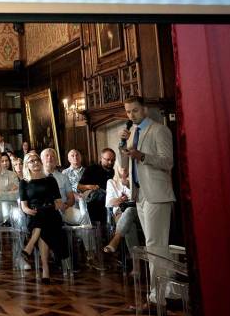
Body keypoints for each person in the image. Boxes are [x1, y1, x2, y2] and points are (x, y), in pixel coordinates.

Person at [120, 97, 175, 310]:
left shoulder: (159, 130)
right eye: (128, 112)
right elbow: (125, 165)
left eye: (134, 110)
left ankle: (155, 298)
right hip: (139, 194)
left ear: (144, 109)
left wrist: (142, 156)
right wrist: (122, 146)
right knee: (155, 246)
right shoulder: (132, 132)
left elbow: (167, 161)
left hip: (157, 194)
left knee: (155, 246)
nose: (131, 115)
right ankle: (167, 292)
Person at [19, 152, 68, 283]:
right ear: (26, 165)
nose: (35, 162)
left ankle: (31, 246)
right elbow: (24, 207)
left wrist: (53, 206)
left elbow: (58, 202)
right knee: (41, 220)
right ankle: (45, 268)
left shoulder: (50, 180)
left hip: (51, 213)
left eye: (37, 160)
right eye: (31, 161)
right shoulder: (24, 182)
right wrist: (31, 211)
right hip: (33, 215)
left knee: (43, 219)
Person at [103, 164, 139, 254]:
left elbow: (141, 199)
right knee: (130, 225)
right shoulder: (111, 182)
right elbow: (109, 203)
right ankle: (136, 260)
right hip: (120, 212)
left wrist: (130, 185)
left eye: (126, 166)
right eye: (121, 166)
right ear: (117, 167)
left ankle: (116, 238)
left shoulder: (136, 180)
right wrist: (121, 199)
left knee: (129, 210)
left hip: (137, 211)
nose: (123, 169)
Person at [78, 148, 116, 224]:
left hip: (110, 201)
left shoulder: (114, 171)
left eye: (113, 160)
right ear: (101, 158)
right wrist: (90, 187)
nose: (110, 162)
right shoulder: (91, 169)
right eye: (108, 160)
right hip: (95, 203)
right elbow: (79, 187)